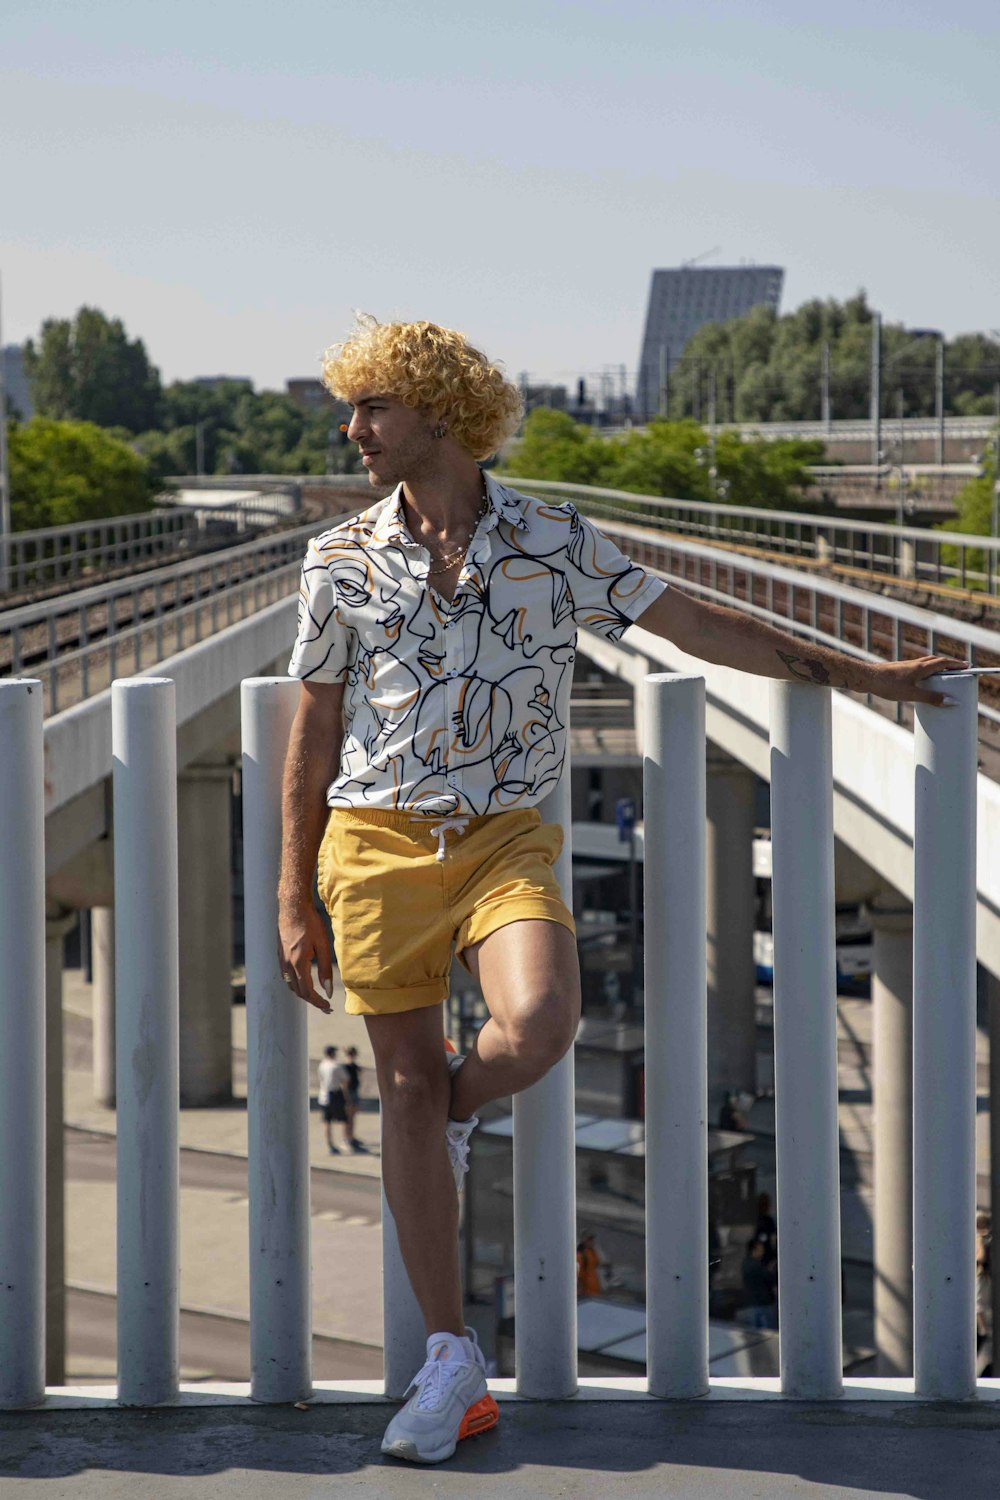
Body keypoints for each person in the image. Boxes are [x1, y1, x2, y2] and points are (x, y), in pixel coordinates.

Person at [276, 315, 965, 1465]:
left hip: (502, 841)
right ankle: (451, 1364)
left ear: (437, 415)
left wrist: (863, 674)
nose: (352, 431)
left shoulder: (552, 540)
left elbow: (699, 624)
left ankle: (435, 1120)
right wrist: (294, 896)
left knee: (539, 1023)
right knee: (398, 1085)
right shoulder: (336, 558)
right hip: (375, 843)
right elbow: (315, 730)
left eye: (371, 409)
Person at [316, 1044, 350, 1155]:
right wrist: (346, 1096)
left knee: (327, 1121)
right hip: (335, 1094)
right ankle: (345, 1140)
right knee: (344, 1118)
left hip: (323, 1095)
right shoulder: (336, 1066)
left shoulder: (322, 1065)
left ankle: (329, 1144)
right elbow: (345, 1080)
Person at [742, 1235, 778, 1329]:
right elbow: (769, 1278)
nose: (763, 1251)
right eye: (760, 1249)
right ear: (754, 1250)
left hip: (753, 1302)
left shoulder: (746, 1263)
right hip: (763, 1302)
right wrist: (770, 1271)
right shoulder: (756, 1265)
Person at [343, 1044, 367, 1153]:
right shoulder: (347, 1067)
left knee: (352, 1117)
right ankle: (347, 1138)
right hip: (350, 1094)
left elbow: (360, 1071)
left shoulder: (352, 1066)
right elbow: (344, 1083)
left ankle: (351, 1136)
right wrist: (346, 1097)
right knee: (349, 1118)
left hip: (354, 1093)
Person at [576, 1231, 610, 1298]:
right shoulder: (580, 1255)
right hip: (587, 1292)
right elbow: (579, 1275)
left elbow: (598, 1263)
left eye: (592, 1239)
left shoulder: (592, 1251)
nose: (591, 1242)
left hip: (596, 1289)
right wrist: (579, 1291)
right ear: (584, 1241)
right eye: (589, 1239)